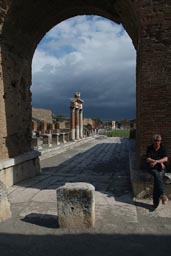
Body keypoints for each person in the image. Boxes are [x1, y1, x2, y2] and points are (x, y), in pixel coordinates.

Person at [146, 134, 169, 209]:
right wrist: (155, 161)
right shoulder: (150, 148)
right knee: (156, 174)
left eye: (158, 141)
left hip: (161, 168)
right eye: (155, 141)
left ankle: (155, 204)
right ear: (153, 141)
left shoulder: (163, 148)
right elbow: (147, 158)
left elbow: (166, 158)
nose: (157, 142)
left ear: (160, 141)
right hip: (152, 167)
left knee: (157, 181)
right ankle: (162, 195)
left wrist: (157, 162)